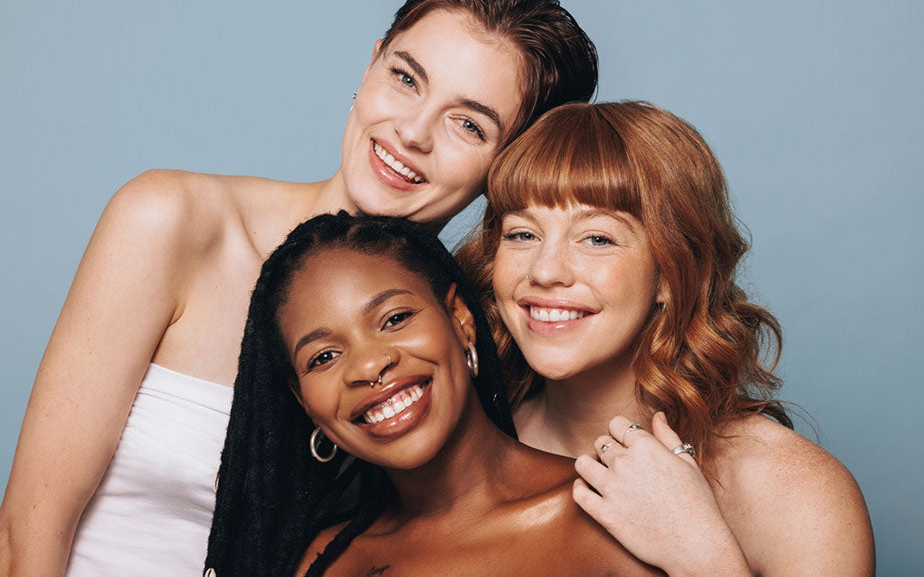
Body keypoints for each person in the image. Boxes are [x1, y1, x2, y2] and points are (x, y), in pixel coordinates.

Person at [0, 0, 597, 575]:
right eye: (405, 78)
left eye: (468, 123)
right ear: (369, 67)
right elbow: (29, 533)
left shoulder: (477, 336)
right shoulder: (174, 222)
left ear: (510, 165)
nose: (411, 132)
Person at [457, 101, 875, 575]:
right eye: (522, 234)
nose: (545, 270)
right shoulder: (467, 452)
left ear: (670, 275)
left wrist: (701, 553)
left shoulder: (793, 490)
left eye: (597, 239)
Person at [205, 212, 660, 576]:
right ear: (303, 400)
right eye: (323, 358)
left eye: (395, 319)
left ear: (460, 320)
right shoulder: (324, 561)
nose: (368, 366)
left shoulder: (608, 516)